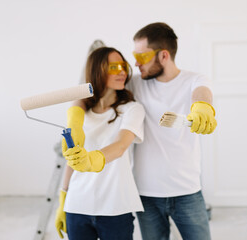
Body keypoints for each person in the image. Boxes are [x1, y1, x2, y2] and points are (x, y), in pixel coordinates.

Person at [126, 22, 217, 240]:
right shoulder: (135, 84)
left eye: (142, 57)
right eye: (135, 56)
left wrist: (202, 109)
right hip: (146, 194)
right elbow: (97, 90)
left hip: (187, 191)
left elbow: (202, 94)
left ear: (164, 55)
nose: (136, 63)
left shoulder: (195, 80)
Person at [54, 47, 145, 240]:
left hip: (115, 207)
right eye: (113, 67)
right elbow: (72, 160)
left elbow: (121, 146)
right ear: (97, 70)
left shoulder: (132, 109)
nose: (121, 71)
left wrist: (91, 160)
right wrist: (63, 197)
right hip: (77, 205)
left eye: (123, 66)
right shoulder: (80, 113)